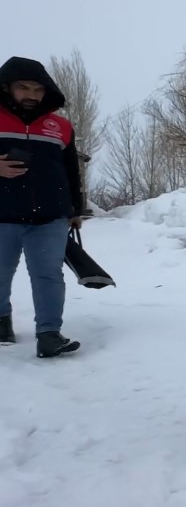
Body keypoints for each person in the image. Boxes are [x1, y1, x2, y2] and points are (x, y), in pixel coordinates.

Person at [0, 57, 85, 358]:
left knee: (48, 275)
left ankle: (49, 334)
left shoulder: (60, 126)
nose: (31, 95)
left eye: (37, 89)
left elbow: (71, 170)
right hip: (2, 216)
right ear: (7, 88)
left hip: (50, 216)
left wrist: (75, 209)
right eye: (23, 87)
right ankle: (1, 319)